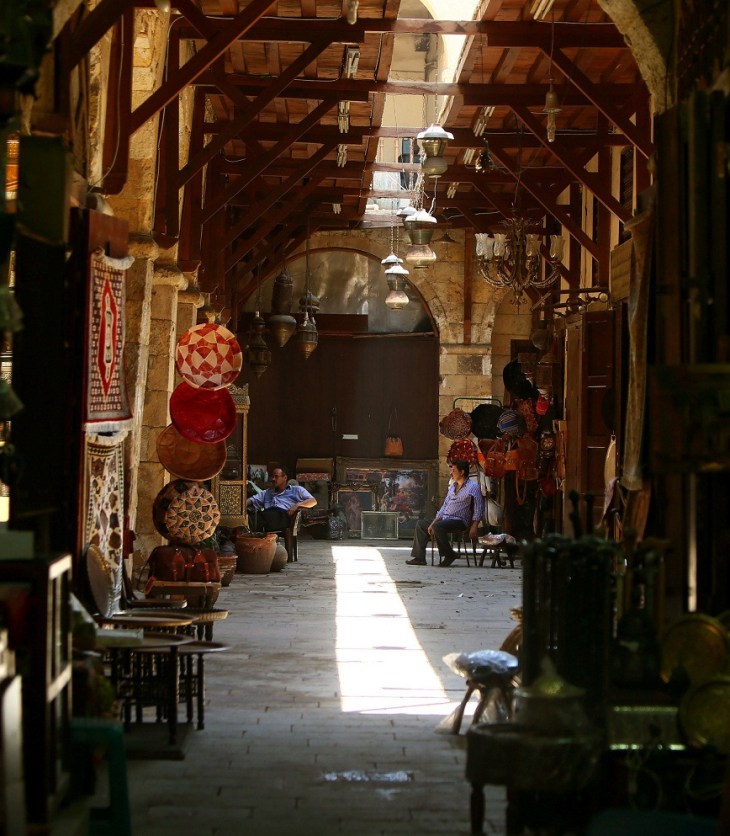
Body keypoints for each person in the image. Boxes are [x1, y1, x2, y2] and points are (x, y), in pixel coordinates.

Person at [405, 459, 484, 568]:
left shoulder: (473, 487)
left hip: (460, 521)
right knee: (421, 524)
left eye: (454, 471)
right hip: (445, 518)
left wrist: (474, 526)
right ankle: (419, 558)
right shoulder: (453, 487)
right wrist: (433, 522)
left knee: (438, 527)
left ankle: (449, 555)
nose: (451, 473)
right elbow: (444, 506)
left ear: (462, 472)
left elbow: (479, 507)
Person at [246, 465, 317, 532]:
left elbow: (313, 501)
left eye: (276, 476)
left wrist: (297, 505)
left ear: (285, 478)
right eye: (272, 476)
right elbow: (252, 500)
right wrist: (239, 507)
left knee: (260, 518)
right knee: (251, 517)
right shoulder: (267, 492)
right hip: (267, 516)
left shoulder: (296, 490)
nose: (273, 479)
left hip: (283, 517)